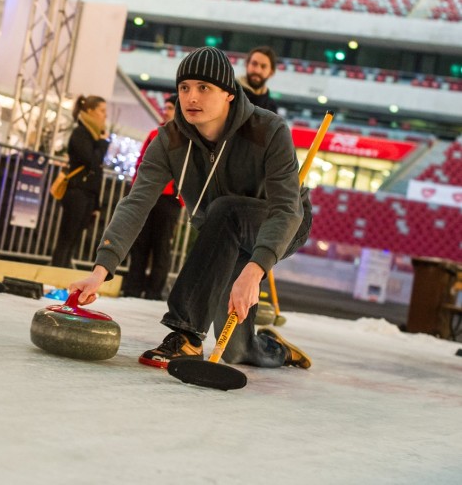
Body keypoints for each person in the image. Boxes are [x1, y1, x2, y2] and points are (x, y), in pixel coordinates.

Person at [70, 47, 312, 370]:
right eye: (184, 88)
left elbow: (286, 209)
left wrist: (255, 271)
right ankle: (271, 347)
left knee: (226, 211)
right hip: (226, 229)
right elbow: (136, 203)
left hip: (281, 221)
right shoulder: (169, 141)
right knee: (237, 351)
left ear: (228, 93)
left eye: (203, 88)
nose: (191, 97)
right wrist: (100, 271)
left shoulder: (269, 130)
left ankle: (185, 334)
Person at [121, 94, 182, 300]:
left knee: (161, 248)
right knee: (140, 246)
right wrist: (135, 192)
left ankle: (154, 292)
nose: (165, 111)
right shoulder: (154, 133)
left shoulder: (187, 137)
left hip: (169, 200)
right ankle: (132, 289)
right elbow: (140, 164)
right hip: (148, 197)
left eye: (170, 108)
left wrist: (180, 200)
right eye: (164, 107)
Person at [50, 95, 109, 269]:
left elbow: (97, 170)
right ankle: (57, 269)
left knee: (76, 235)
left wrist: (97, 204)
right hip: (76, 191)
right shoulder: (81, 133)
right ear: (90, 111)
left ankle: (63, 268)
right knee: (67, 235)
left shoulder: (94, 135)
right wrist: (103, 143)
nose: (105, 115)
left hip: (88, 193)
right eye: (102, 110)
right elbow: (91, 160)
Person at [239, 46, 279, 113]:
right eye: (254, 64)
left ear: (271, 73)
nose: (257, 70)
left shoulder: (271, 107)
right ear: (246, 65)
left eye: (263, 66)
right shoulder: (230, 94)